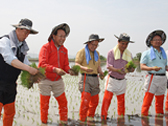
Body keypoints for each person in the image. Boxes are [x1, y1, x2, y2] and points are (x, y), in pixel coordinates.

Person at [0, 18, 39, 126]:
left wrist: (34, 77)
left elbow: (26, 64)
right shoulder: (5, 41)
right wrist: (29, 69)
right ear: (17, 29)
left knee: (10, 113)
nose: (26, 35)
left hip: (11, 85)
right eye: (25, 31)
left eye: (28, 33)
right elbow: (10, 59)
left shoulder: (22, 48)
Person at [38, 23, 75, 124]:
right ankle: (44, 123)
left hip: (57, 80)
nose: (63, 39)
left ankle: (63, 122)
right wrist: (55, 69)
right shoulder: (45, 48)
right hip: (45, 80)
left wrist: (69, 70)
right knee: (44, 105)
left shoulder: (64, 50)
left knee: (63, 103)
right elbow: (42, 64)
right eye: (60, 36)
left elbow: (66, 65)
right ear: (53, 36)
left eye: (64, 37)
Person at [101, 33, 134, 121]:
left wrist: (131, 69)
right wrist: (117, 70)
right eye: (123, 43)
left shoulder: (129, 54)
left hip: (122, 80)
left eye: (126, 44)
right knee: (107, 99)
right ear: (118, 42)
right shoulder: (111, 52)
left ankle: (121, 118)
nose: (124, 45)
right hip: (112, 79)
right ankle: (103, 117)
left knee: (121, 101)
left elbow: (131, 68)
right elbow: (109, 66)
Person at [75, 34, 104, 122]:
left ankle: (90, 119)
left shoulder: (97, 53)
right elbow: (76, 64)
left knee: (95, 101)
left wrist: (101, 73)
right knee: (85, 101)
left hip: (95, 79)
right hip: (85, 78)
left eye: (96, 45)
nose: (94, 46)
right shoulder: (82, 52)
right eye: (93, 44)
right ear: (88, 43)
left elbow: (98, 66)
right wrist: (84, 68)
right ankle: (82, 120)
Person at [140, 30, 167, 116]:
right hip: (152, 77)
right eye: (155, 40)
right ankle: (144, 118)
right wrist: (152, 68)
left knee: (160, 100)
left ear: (162, 42)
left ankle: (159, 119)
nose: (158, 41)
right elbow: (142, 66)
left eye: (159, 40)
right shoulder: (146, 53)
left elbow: (165, 66)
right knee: (148, 99)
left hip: (163, 78)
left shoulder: (164, 54)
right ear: (151, 42)